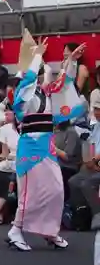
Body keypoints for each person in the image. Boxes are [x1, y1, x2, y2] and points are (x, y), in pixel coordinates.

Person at [7, 39, 86, 251]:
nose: (48, 77)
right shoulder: (25, 96)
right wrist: (37, 56)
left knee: (55, 190)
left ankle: (50, 231)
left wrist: (71, 60)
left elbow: (66, 81)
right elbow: (29, 80)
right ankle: (16, 229)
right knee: (28, 192)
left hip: (46, 147)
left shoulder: (47, 93)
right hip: (30, 148)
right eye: (43, 73)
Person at [68, 96, 100, 230]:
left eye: (99, 110)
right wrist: (88, 160)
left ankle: (97, 214)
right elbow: (91, 145)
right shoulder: (96, 126)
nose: (97, 112)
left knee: (88, 183)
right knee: (73, 181)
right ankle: (83, 214)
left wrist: (94, 160)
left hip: (97, 164)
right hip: (94, 164)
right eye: (96, 109)